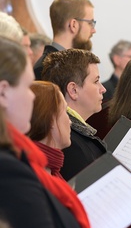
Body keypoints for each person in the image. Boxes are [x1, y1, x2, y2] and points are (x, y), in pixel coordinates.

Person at [0, 36, 92, 228]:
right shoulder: (9, 169)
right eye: (26, 86)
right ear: (4, 92)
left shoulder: (18, 160)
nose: (32, 97)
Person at [42, 48, 107, 180]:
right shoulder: (68, 142)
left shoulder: (72, 135)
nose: (103, 89)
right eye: (96, 81)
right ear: (73, 90)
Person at [34, 0, 97, 80]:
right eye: (90, 23)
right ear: (73, 25)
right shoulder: (45, 71)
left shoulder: (71, 65)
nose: (94, 30)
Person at [27, 81, 71, 179]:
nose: (70, 121)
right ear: (51, 119)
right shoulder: (34, 174)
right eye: (65, 111)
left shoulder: (50, 169)